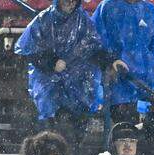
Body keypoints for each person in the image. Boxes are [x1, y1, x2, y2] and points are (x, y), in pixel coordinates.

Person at [92, 0, 154, 155]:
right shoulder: (108, 6)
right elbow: (95, 38)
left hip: (149, 77)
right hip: (121, 78)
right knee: (124, 128)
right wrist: (111, 60)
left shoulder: (148, 8)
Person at [14, 0, 105, 144]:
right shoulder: (45, 19)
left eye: (73, 1)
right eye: (66, 1)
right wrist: (51, 62)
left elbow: (95, 47)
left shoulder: (83, 21)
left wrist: (109, 60)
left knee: (76, 121)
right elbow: (29, 50)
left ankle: (69, 152)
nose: (69, 4)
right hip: (50, 81)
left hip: (78, 81)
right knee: (52, 122)